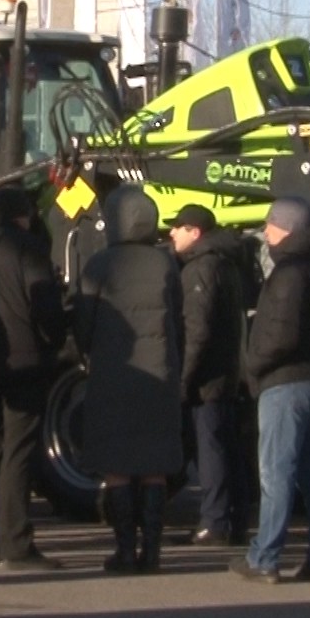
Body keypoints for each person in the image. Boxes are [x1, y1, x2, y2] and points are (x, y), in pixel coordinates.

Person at [227, 197, 310, 584]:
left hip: (284, 381)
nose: (266, 233)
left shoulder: (289, 273)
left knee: (275, 471)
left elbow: (280, 332)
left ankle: (265, 557)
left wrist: (253, 366)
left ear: (286, 229)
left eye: (270, 225)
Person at [0, 186, 67, 570]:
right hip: (23, 362)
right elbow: (45, 307)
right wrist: (54, 340)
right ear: (23, 215)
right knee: (18, 452)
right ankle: (17, 544)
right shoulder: (27, 248)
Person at [76, 185, 185, 574]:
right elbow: (178, 320)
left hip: (114, 374)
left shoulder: (99, 265)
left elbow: (83, 324)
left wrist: (86, 353)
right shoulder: (165, 264)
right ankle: (152, 551)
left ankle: (124, 549)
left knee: (117, 465)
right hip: (160, 372)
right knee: (154, 464)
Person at [167, 203, 253, 547]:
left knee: (211, 449)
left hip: (207, 378)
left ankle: (214, 522)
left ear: (196, 232)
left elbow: (197, 331)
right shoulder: (225, 263)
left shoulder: (199, 270)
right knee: (227, 448)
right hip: (226, 371)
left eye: (178, 227)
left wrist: (183, 379)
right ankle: (235, 519)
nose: (171, 232)